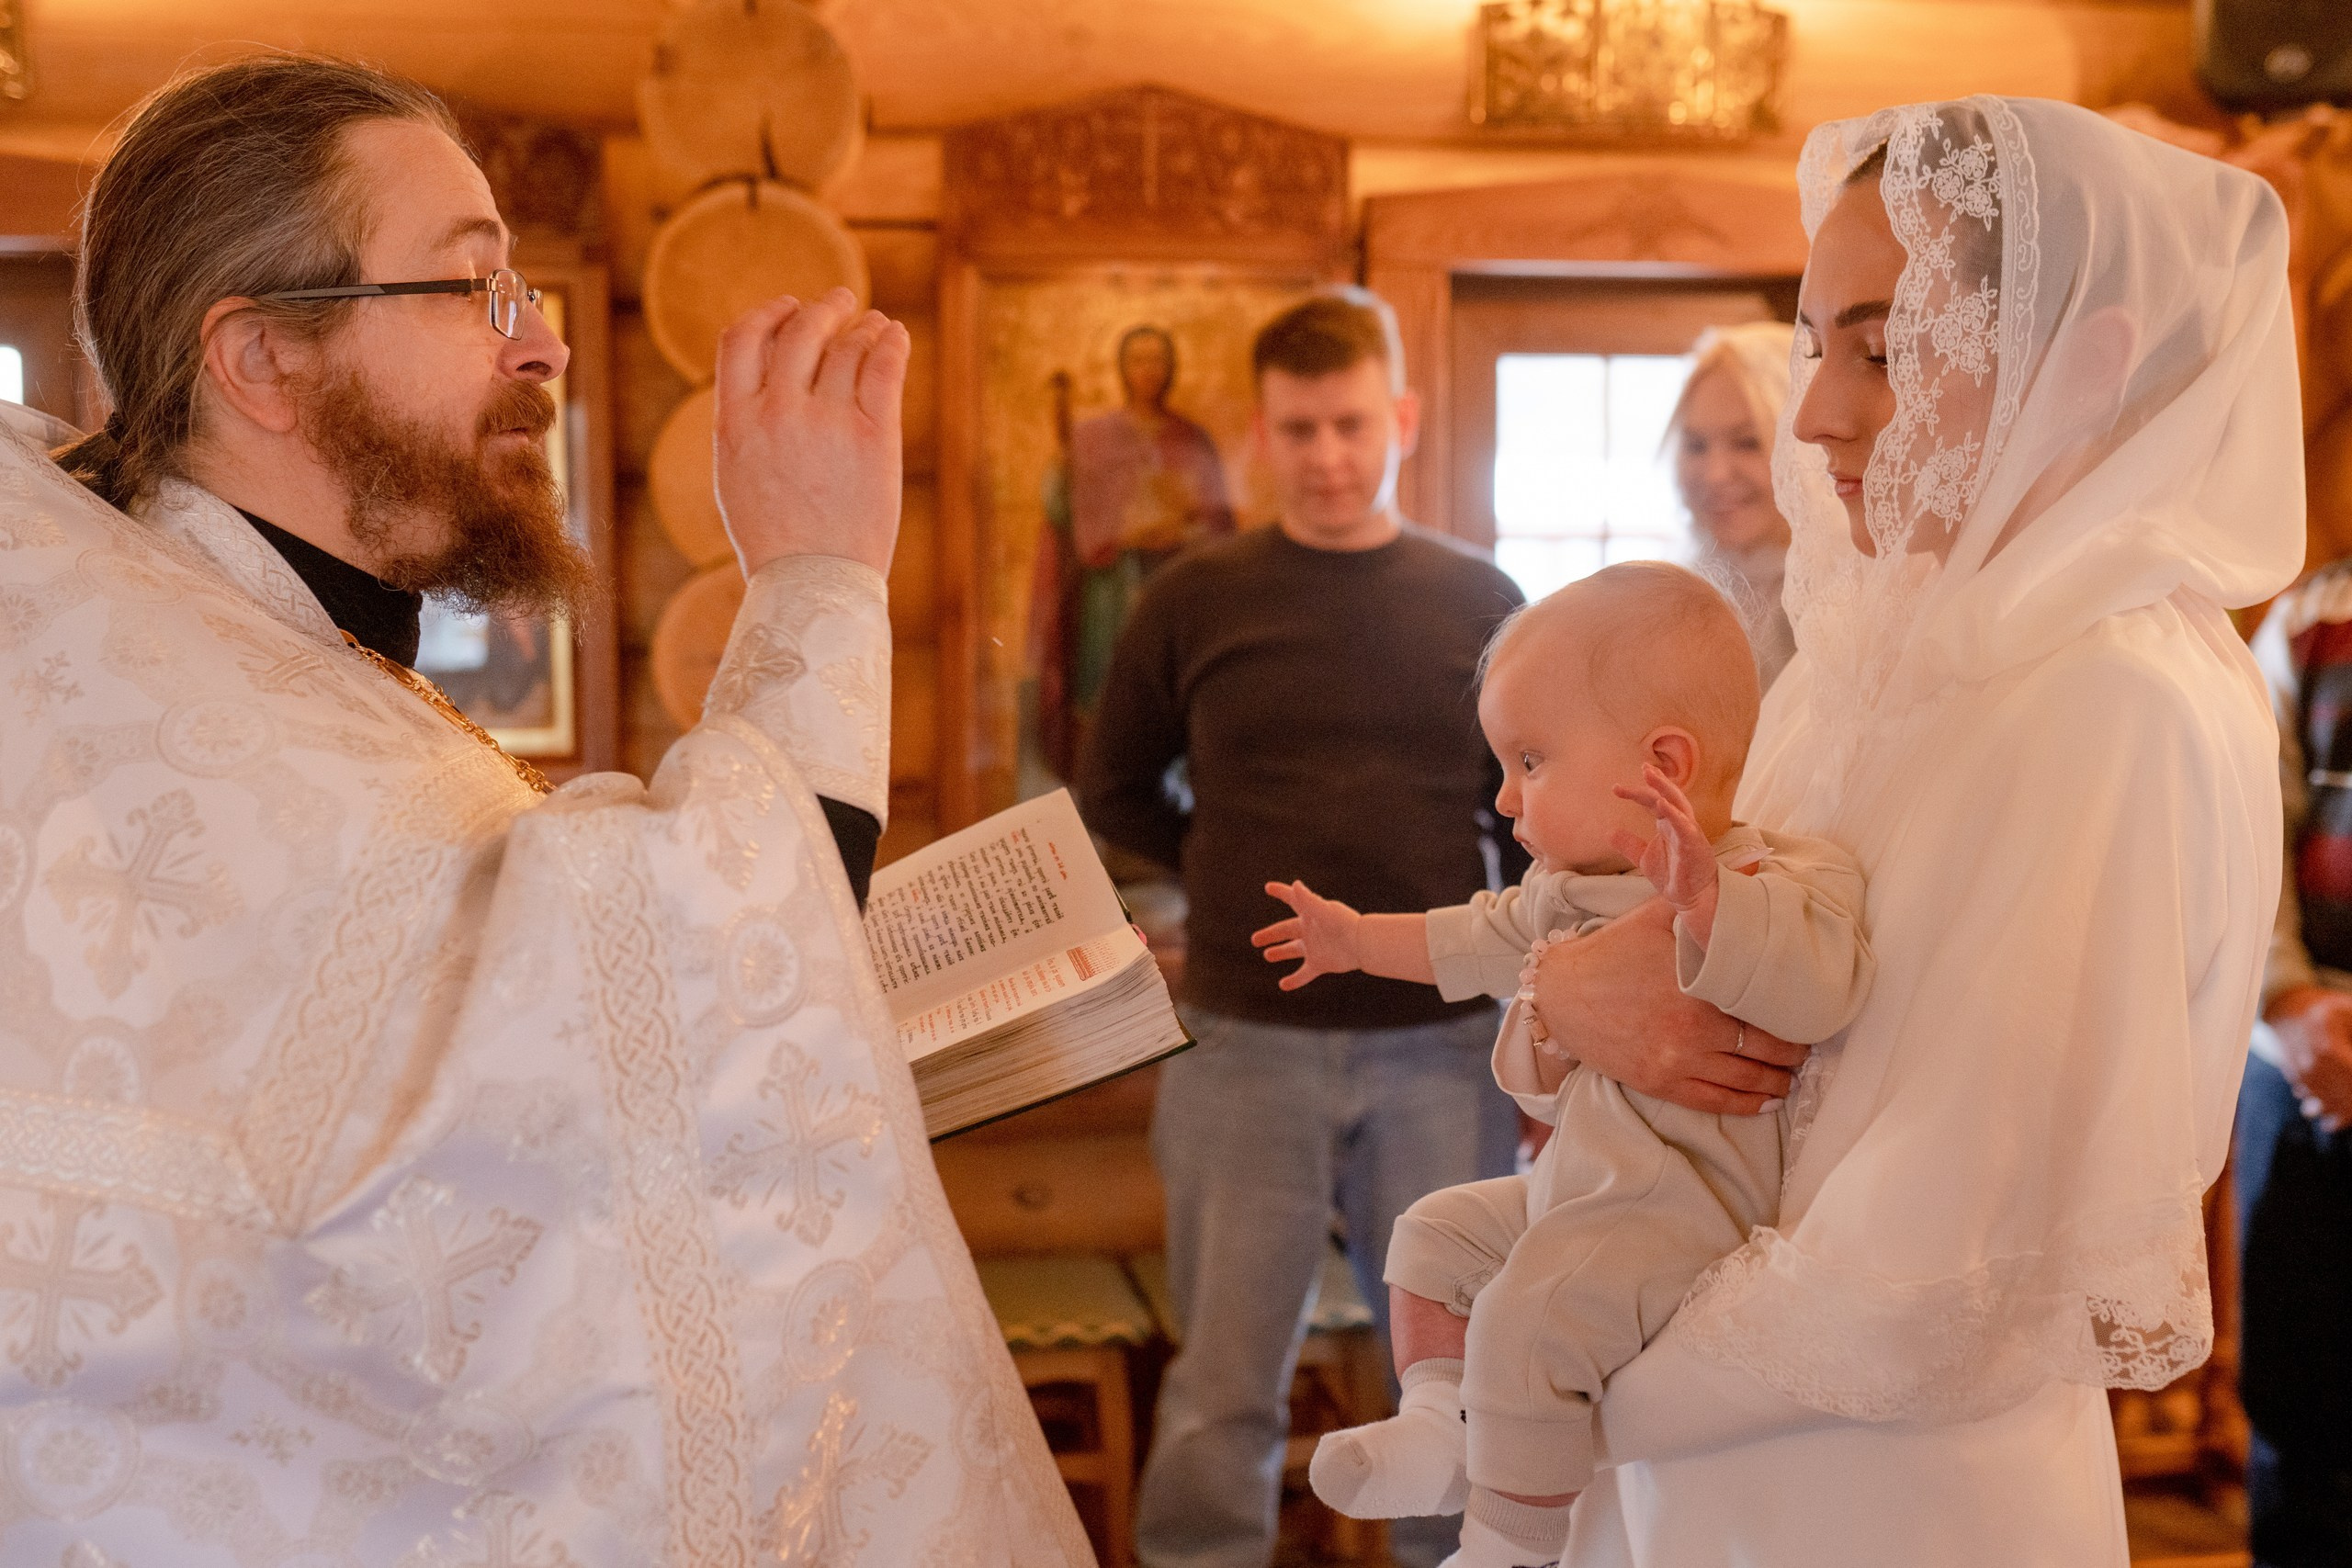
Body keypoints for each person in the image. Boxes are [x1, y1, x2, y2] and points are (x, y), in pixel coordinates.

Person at [0, 57, 1091, 1565]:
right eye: (476, 293)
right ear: (263, 360)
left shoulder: (246, 657)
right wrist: (819, 585)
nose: (548, 343)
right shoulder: (179, 713)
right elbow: (615, 1055)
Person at [1494, 97, 2301, 1565]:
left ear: (2087, 360)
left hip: (1879, 1488)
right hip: (1698, 1439)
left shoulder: (2114, 696)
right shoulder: (1875, 652)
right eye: (1817, 343)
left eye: (1888, 347)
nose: (1817, 413)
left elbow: (1939, 1241)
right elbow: (1698, 961)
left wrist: (1561, 1384)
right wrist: (1564, 993)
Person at [1254, 564, 1871, 1568]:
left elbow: (1823, 989)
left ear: (1662, 764)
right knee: (1434, 1234)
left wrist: (1708, 901)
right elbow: (1465, 939)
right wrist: (1357, 940)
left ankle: (1508, 1546)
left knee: (1527, 1313)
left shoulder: (1781, 875)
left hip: (1683, 1200)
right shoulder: (1562, 894)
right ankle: (1438, 1426)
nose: (1504, 797)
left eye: (1531, 761)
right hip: (1577, 1189)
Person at [1079, 288, 1525, 1568]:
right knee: (1225, 1375)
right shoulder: (1192, 597)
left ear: (1400, 416)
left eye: (1350, 423)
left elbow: (1526, 815)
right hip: (1243, 1040)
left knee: (1453, 1376)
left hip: (1441, 1039)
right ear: (1262, 432)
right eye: (1299, 428)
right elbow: (1115, 786)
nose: (1329, 455)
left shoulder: (1480, 595)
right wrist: (1218, 875)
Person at [2242, 573, 2352, 1568]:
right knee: (2299, 1401)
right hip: (2307, 1050)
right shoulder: (2311, 620)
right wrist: (2289, 1002)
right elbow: (2248, 832)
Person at [1032, 325, 1237, 780]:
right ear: (1123, 368)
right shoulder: (1092, 438)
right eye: (1138, 359)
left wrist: (1184, 529)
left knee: (1166, 695)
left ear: (1172, 369)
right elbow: (1064, 516)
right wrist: (1065, 476)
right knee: (1103, 691)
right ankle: (1099, 788)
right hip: (1111, 587)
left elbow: (1219, 526)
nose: (1148, 370)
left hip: (1174, 584)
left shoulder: (1192, 440)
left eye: (1158, 359)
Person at [1666, 321, 1799, 689]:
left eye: (1747, 443)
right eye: (1696, 446)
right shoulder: (1676, 596)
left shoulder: (1853, 600)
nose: (1715, 475)